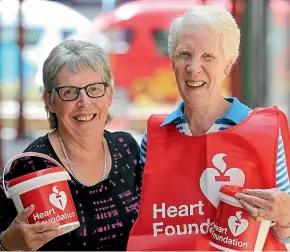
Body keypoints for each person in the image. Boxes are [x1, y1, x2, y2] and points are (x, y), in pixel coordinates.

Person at [127, 4, 290, 251]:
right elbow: (144, 220)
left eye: (208, 57)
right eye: (184, 55)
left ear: (228, 64)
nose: (194, 68)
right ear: (172, 61)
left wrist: (286, 215)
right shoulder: (155, 137)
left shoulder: (266, 133)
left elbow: (285, 232)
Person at [0, 40, 141, 251]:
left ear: (109, 94)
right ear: (49, 101)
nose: (84, 102)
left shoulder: (126, 147)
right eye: (69, 92)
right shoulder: (32, 164)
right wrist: (7, 244)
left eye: (94, 89)